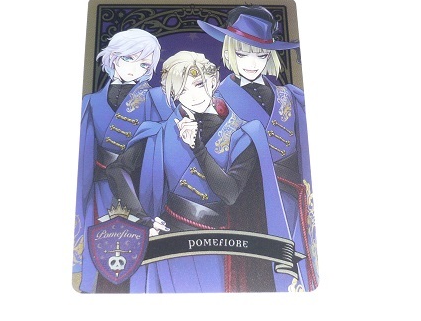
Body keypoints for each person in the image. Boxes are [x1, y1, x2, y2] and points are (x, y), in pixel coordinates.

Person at [105, 51, 299, 292]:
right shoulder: (158, 132)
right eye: (182, 91)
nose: (193, 96)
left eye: (198, 84)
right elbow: (116, 170)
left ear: (213, 80)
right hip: (168, 241)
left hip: (223, 246)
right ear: (173, 96)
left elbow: (230, 193)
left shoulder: (245, 134)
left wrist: (197, 147)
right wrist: (142, 219)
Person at [197, 5, 319, 291]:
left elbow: (306, 157)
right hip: (244, 204)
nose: (252, 63)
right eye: (242, 54)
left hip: (288, 202)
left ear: (270, 56)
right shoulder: (214, 100)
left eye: (260, 55)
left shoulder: (289, 97)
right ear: (230, 52)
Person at [73, 28, 172, 293]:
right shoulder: (90, 102)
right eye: (128, 59)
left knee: (139, 257)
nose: (134, 68)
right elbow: (84, 156)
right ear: (113, 57)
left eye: (143, 64)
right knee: (101, 251)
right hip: (100, 190)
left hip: (139, 189)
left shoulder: (156, 98)